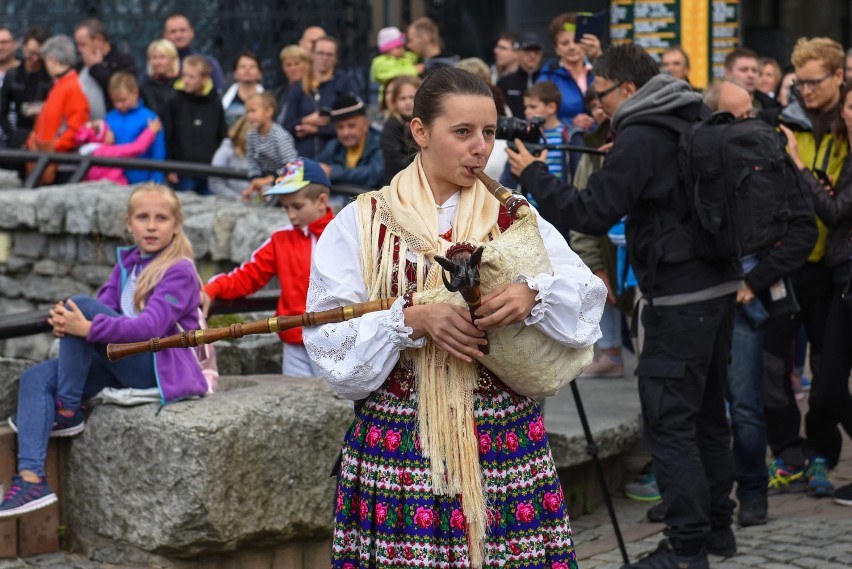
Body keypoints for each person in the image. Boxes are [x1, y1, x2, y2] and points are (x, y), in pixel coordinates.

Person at [303, 66, 604, 569]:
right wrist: (412, 321)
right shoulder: (362, 221)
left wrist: (533, 293)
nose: (480, 148)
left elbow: (586, 291)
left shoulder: (514, 215)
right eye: (462, 132)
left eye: (488, 132)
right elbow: (328, 335)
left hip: (504, 443)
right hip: (402, 447)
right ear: (420, 132)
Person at [508, 43, 742, 568]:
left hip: (678, 297)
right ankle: (718, 532)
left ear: (629, 90)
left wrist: (532, 175)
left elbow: (590, 211)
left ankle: (685, 549)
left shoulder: (640, 134)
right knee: (706, 414)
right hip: (717, 288)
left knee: (669, 421)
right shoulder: (689, 115)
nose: (596, 106)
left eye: (602, 94)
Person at [0, 183, 210, 519]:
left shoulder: (179, 270)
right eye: (143, 217)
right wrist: (69, 324)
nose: (152, 225)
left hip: (155, 366)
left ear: (176, 224)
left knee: (79, 305)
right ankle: (30, 478)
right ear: (129, 223)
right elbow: (102, 311)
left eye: (161, 218)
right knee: (35, 377)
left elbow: (149, 329)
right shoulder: (127, 265)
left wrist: (84, 326)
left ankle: (68, 410)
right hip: (119, 361)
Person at [703, 78, 818, 527]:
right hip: (705, 293)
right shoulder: (699, 155)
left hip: (749, 294)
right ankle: (710, 499)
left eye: (751, 112)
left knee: (746, 402)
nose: (748, 123)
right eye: (738, 115)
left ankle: (752, 492)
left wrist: (754, 280)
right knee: (708, 404)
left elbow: (803, 232)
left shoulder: (769, 157)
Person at [766, 36, 846, 499]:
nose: (806, 90)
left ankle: (821, 451)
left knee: (828, 372)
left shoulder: (848, 125)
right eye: (800, 82)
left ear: (838, 76)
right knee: (772, 367)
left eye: (815, 82)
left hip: (831, 266)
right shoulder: (783, 122)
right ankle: (788, 455)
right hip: (787, 262)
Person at [782, 82, 852, 505]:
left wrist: (797, 165)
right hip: (839, 275)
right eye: (850, 105)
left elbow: (836, 212)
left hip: (840, 275)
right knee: (825, 387)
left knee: (827, 386)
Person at [204, 158, 334, 376]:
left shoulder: (344, 235)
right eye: (286, 208)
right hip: (293, 344)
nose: (291, 214)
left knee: (342, 405)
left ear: (322, 201)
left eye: (297, 206)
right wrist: (212, 289)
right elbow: (248, 276)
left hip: (336, 342)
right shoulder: (280, 239)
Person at [28, 34, 89, 185]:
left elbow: (76, 128)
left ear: (53, 60)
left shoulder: (72, 87)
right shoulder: (62, 85)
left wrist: (52, 147)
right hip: (51, 159)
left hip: (60, 164)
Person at [283, 35, 356, 158]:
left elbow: (353, 124)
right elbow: (286, 126)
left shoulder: (344, 82)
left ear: (335, 58)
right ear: (312, 55)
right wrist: (306, 120)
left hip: (336, 158)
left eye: (329, 54)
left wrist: (317, 130)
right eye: (320, 53)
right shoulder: (299, 86)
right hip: (303, 158)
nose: (324, 58)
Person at [164, 55, 227, 195]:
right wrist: (169, 166)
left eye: (191, 77)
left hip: (209, 171)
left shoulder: (215, 102)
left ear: (204, 79)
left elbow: (221, 134)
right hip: (182, 171)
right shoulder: (173, 100)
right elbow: (168, 135)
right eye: (184, 75)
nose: (185, 80)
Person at [536, 12, 601, 130]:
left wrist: (599, 56)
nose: (572, 47)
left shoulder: (599, 70)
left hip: (600, 142)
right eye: (565, 43)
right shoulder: (547, 77)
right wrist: (571, 123)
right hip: (564, 142)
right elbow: (537, 116)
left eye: (576, 41)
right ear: (557, 49)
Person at [105, 72, 166, 184]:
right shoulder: (110, 117)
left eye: (123, 100)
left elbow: (158, 153)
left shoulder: (150, 118)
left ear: (135, 93)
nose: (119, 105)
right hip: (114, 180)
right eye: (114, 101)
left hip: (142, 180)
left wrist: (155, 181)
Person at [0, 27, 52, 152]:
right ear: (24, 48)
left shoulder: (49, 75)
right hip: (20, 131)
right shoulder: (13, 75)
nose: (34, 59)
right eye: (30, 53)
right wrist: (13, 135)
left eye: (38, 55)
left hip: (45, 135)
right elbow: (2, 110)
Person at [315, 94, 384, 188]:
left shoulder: (381, 143)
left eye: (351, 126)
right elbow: (315, 167)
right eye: (340, 127)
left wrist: (332, 172)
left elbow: (372, 176)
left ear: (366, 125)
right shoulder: (334, 146)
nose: (345, 133)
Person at [240, 92, 298, 199]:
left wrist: (269, 180)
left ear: (268, 111)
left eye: (253, 111)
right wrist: (255, 179)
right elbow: (251, 160)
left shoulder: (280, 136)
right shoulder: (251, 135)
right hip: (264, 183)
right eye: (247, 112)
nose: (249, 116)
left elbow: (292, 166)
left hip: (285, 185)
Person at [74, 118, 162, 185]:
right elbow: (137, 147)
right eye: (109, 130)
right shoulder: (106, 152)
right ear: (102, 137)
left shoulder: (85, 154)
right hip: (114, 188)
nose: (112, 133)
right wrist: (151, 131)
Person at [73, 18, 136, 111]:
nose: (79, 49)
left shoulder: (123, 61)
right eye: (78, 45)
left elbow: (119, 89)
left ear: (99, 39)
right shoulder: (79, 65)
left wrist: (96, 68)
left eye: (83, 44)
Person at [162, 12, 225, 93]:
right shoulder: (157, 65)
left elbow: (220, 92)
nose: (178, 35)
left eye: (183, 30)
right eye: (173, 32)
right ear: (165, 35)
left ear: (191, 32)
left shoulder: (208, 63)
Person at [380, 74, 420, 184]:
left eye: (412, 97)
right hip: (398, 180)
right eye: (403, 98)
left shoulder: (425, 123)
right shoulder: (392, 125)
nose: (408, 102)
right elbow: (394, 159)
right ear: (394, 102)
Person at [497, 31, 544, 118]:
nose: (532, 55)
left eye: (536, 50)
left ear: (541, 53)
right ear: (517, 52)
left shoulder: (549, 79)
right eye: (527, 50)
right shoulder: (504, 83)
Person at [370, 26, 418, 105]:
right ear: (387, 49)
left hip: (406, 96)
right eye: (398, 47)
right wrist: (415, 70)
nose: (402, 49)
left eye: (402, 46)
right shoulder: (381, 62)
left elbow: (415, 56)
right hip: (391, 100)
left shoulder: (405, 56)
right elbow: (395, 74)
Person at [724, 47, 779, 114]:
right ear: (728, 73)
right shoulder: (715, 103)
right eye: (744, 70)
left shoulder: (770, 105)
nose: (751, 75)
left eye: (754, 70)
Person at [209, 116, 251, 199]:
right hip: (229, 204)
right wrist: (238, 198)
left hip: (257, 204)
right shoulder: (225, 151)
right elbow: (215, 182)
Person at [222, 51, 264, 128]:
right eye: (242, 67)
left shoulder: (269, 99)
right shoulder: (222, 98)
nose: (247, 70)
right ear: (235, 73)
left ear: (260, 73)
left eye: (252, 67)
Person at [139, 39, 180, 119]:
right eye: (154, 58)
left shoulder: (183, 84)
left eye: (162, 57)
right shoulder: (144, 87)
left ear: (172, 59)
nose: (158, 62)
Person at [272, 45, 310, 125]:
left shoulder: (315, 91)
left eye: (297, 64)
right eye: (288, 65)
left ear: (307, 64)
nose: (292, 69)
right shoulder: (278, 94)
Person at [0, 26, 20, 148]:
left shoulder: (25, 71)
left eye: (4, 42)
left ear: (15, 44)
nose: (0, 47)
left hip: (18, 140)